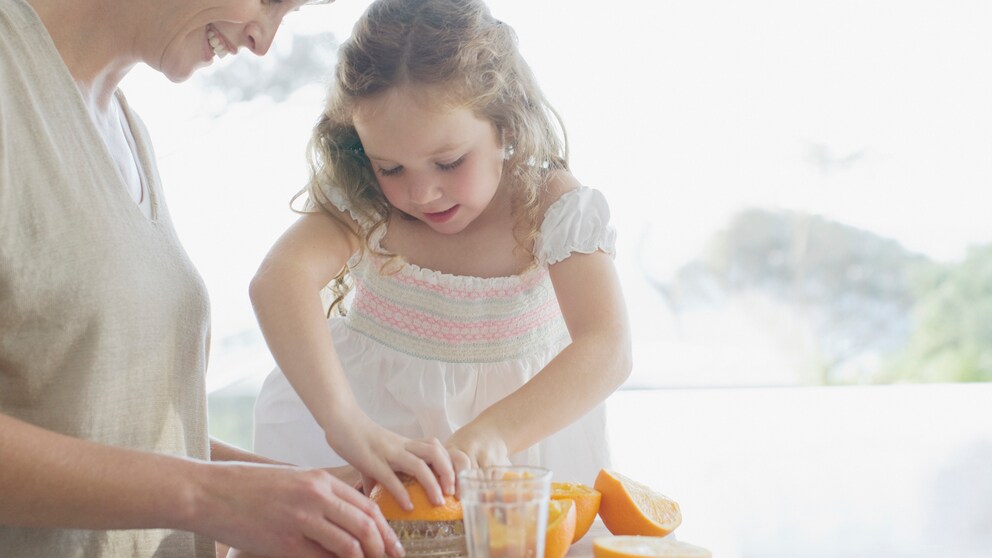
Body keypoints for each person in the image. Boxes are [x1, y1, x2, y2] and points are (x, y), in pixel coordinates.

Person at [0, 0, 419, 556]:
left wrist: (310, 492)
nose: (263, 42)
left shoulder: (123, 124)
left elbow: (108, 424)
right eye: (271, 2)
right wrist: (212, 498)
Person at [250, 0, 633, 507]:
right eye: (391, 169)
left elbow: (607, 346)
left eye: (449, 162)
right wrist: (346, 425)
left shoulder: (548, 202)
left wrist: (488, 436)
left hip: (517, 450)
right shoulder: (364, 199)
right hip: (370, 444)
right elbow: (279, 279)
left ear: (507, 125)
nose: (422, 193)